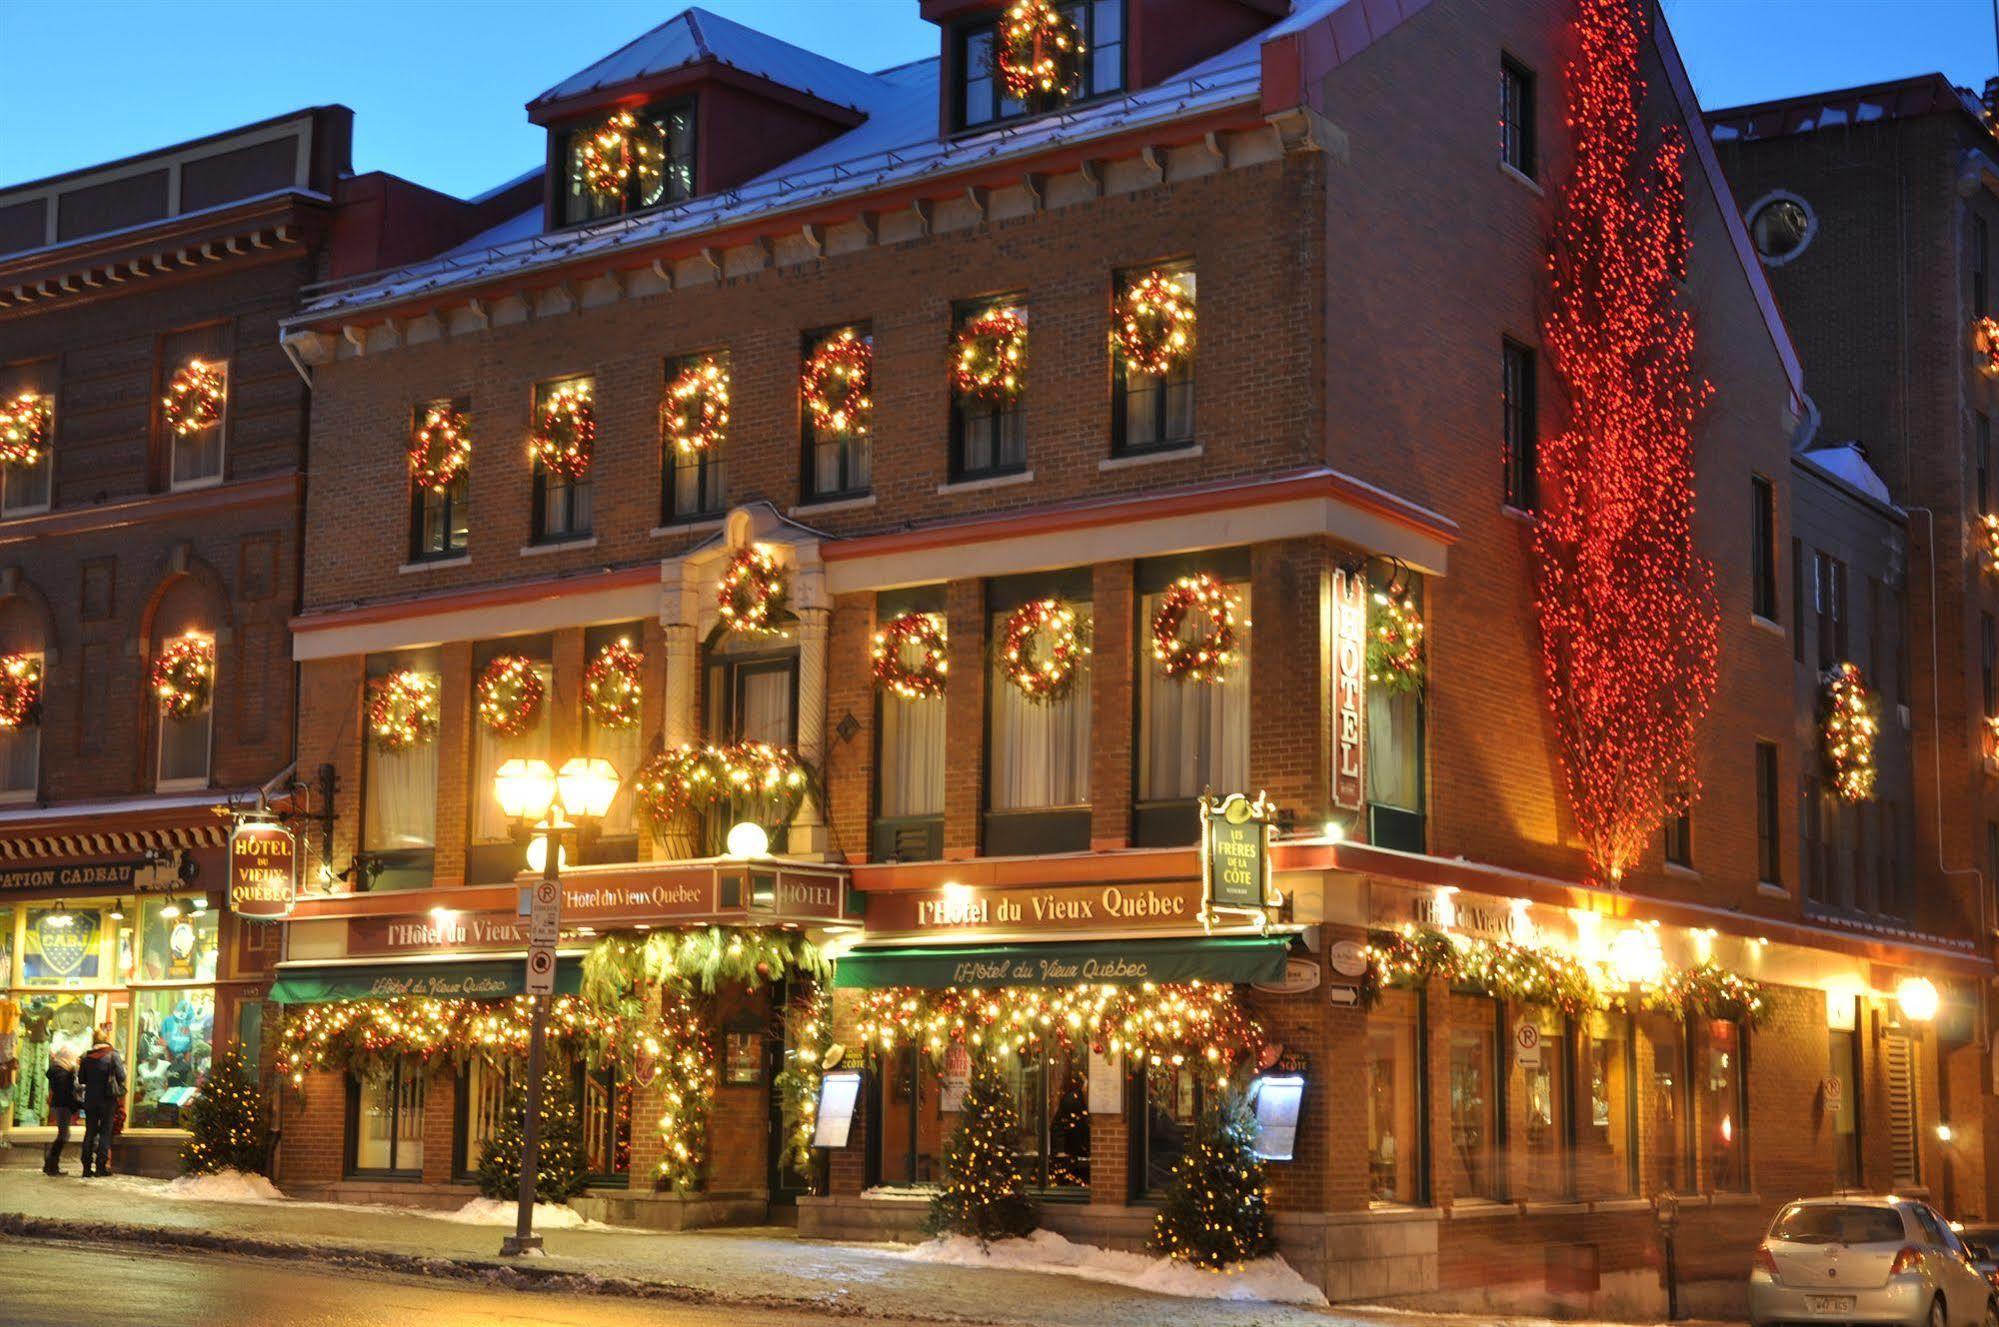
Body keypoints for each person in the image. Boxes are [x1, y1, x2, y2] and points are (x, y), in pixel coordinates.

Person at [77, 1024, 125, 1178]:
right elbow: (122, 1076)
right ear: (106, 1039)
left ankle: (86, 1167)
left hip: (90, 1099)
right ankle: (100, 1167)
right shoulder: (113, 1055)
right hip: (108, 1098)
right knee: (105, 1131)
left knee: (90, 1131)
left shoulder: (86, 1056)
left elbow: (81, 1079)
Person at [41, 1047, 81, 1176]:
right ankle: (51, 1165)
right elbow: (66, 1091)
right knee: (63, 1135)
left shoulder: (58, 1070)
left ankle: (50, 1164)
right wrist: (75, 1104)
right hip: (63, 1105)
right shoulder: (62, 1073)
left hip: (60, 1105)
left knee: (63, 1134)